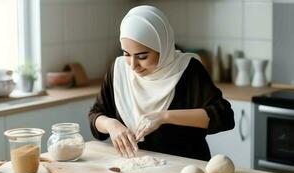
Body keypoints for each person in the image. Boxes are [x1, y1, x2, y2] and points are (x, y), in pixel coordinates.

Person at [88, 5, 234, 161]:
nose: (132, 65)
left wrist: (164, 116)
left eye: (142, 57)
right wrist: (111, 125)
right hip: (136, 168)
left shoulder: (188, 69)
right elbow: (96, 115)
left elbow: (224, 116)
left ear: (162, 47)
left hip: (185, 168)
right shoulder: (119, 70)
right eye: (126, 54)